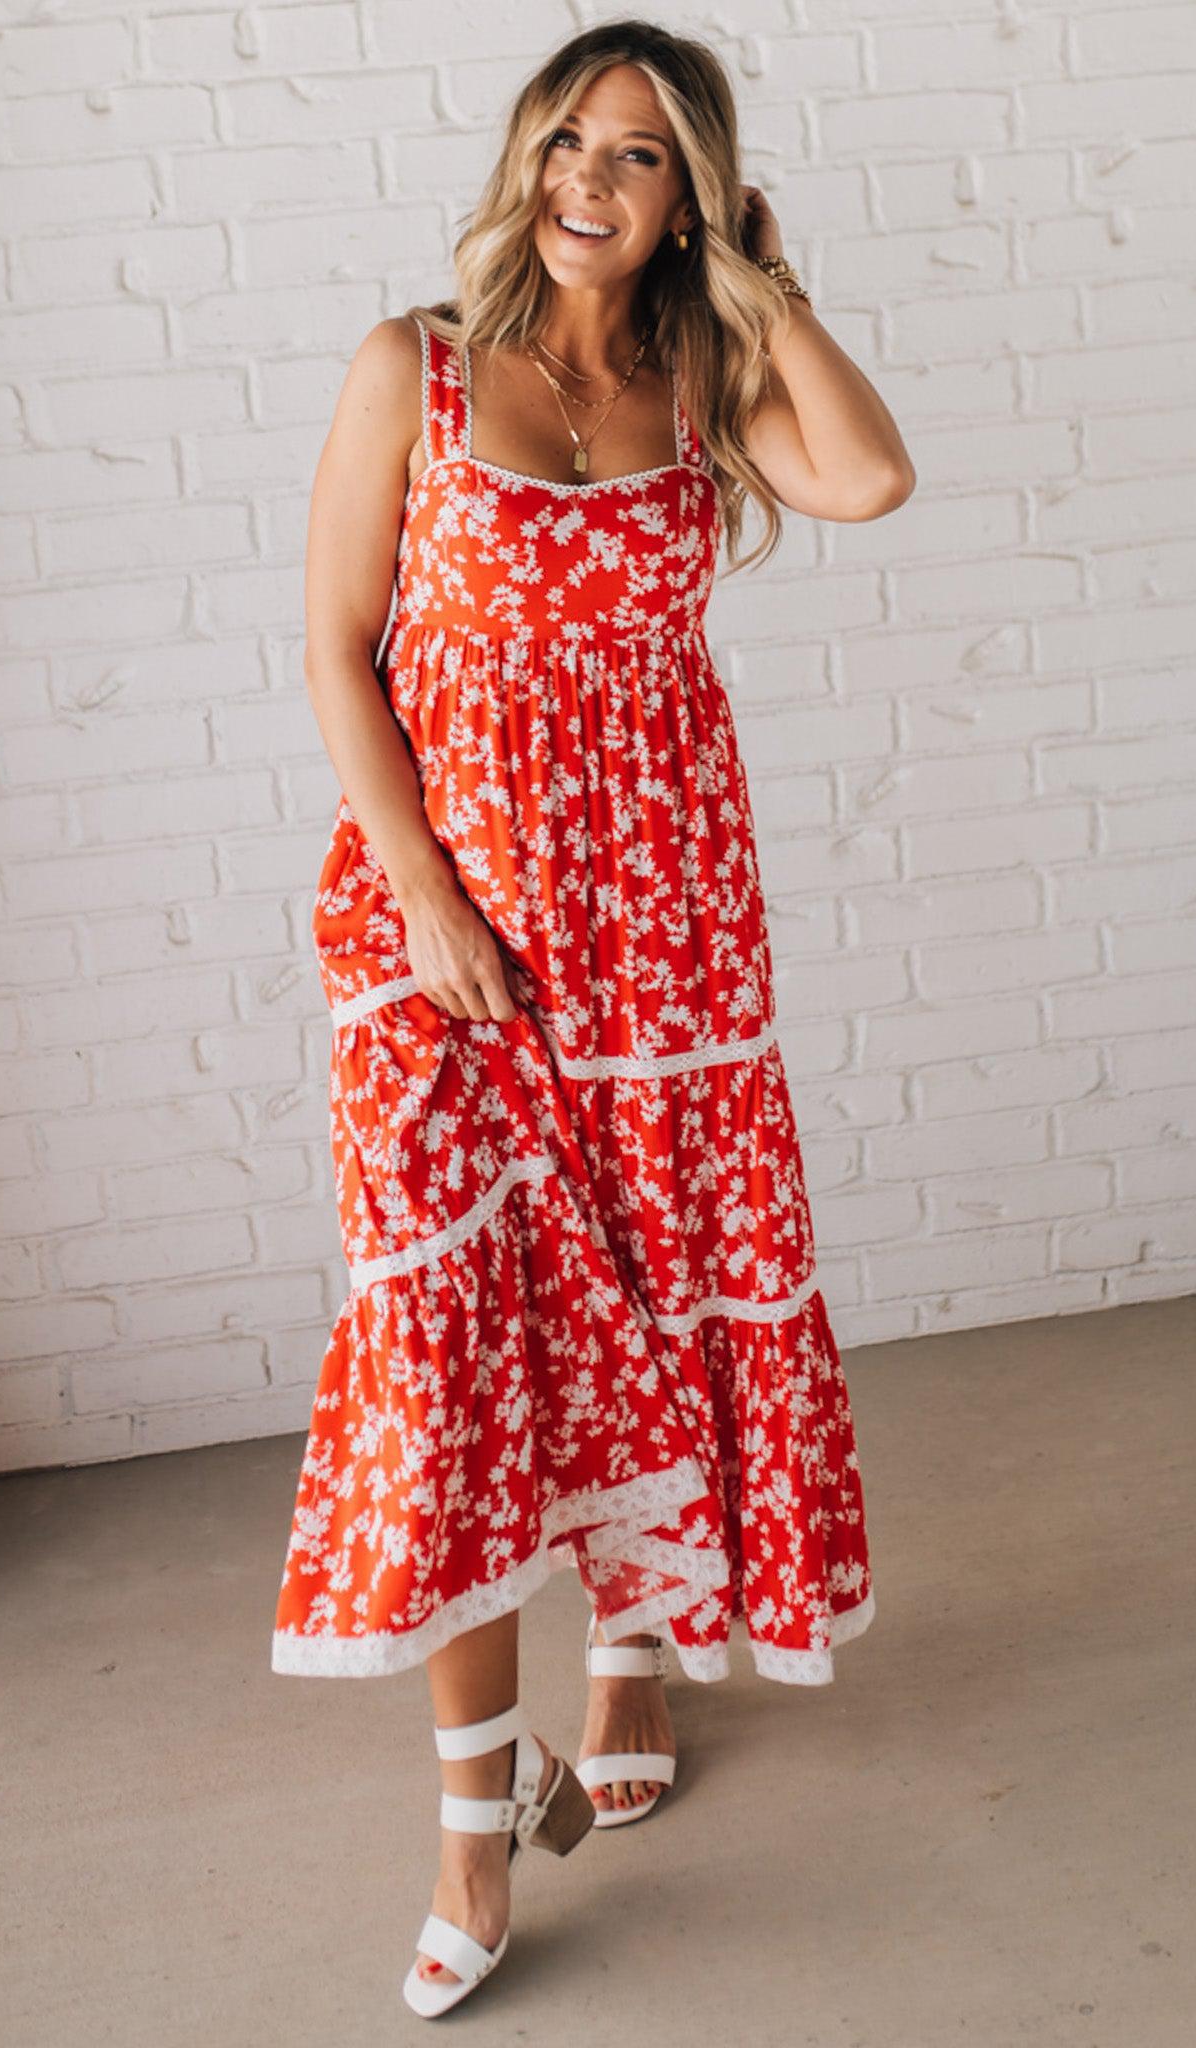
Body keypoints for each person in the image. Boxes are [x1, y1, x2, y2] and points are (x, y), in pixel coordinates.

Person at [270, 15, 915, 2018]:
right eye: (566, 139)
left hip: (660, 930)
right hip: (440, 930)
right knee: (445, 1340)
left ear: (687, 200)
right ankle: (481, 1815)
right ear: (522, 158)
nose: (586, 180)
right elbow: (337, 649)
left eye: (637, 157)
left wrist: (768, 286)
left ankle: (630, 1644)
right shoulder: (412, 368)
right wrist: (424, 896)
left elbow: (869, 476)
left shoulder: (703, 380)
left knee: (649, 1289)